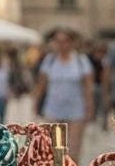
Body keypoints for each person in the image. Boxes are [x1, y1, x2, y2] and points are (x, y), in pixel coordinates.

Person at [33, 29, 94, 159]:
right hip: (53, 110)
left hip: (76, 111)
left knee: (73, 152)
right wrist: (35, 104)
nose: (61, 45)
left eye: (65, 41)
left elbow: (88, 87)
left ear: (71, 43)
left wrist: (90, 107)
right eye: (58, 41)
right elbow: (41, 85)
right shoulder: (49, 60)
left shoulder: (81, 61)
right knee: (56, 152)